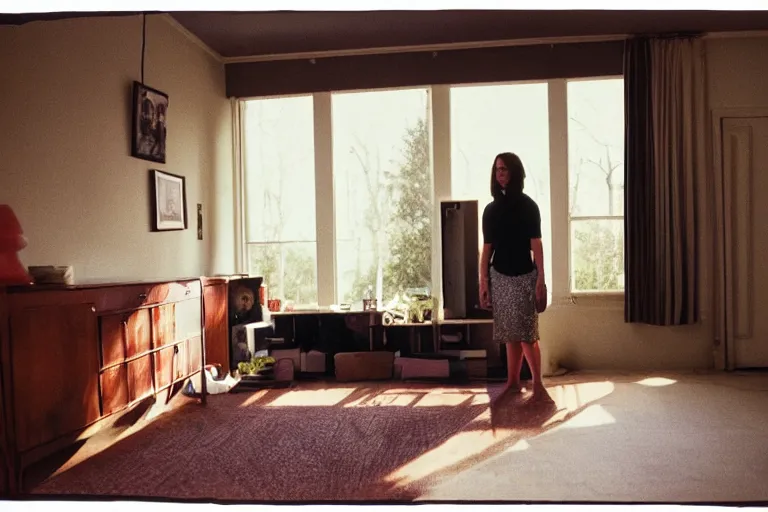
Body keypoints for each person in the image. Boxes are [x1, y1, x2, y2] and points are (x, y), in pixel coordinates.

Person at [479, 152, 548, 402]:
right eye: (497, 169)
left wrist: (541, 278)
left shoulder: (529, 207)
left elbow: (536, 245)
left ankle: (538, 384)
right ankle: (513, 382)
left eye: (505, 169)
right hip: (500, 276)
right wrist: (483, 281)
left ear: (515, 172)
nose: (500, 174)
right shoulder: (490, 211)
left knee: (527, 333)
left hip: (524, 276)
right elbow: (487, 249)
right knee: (510, 333)